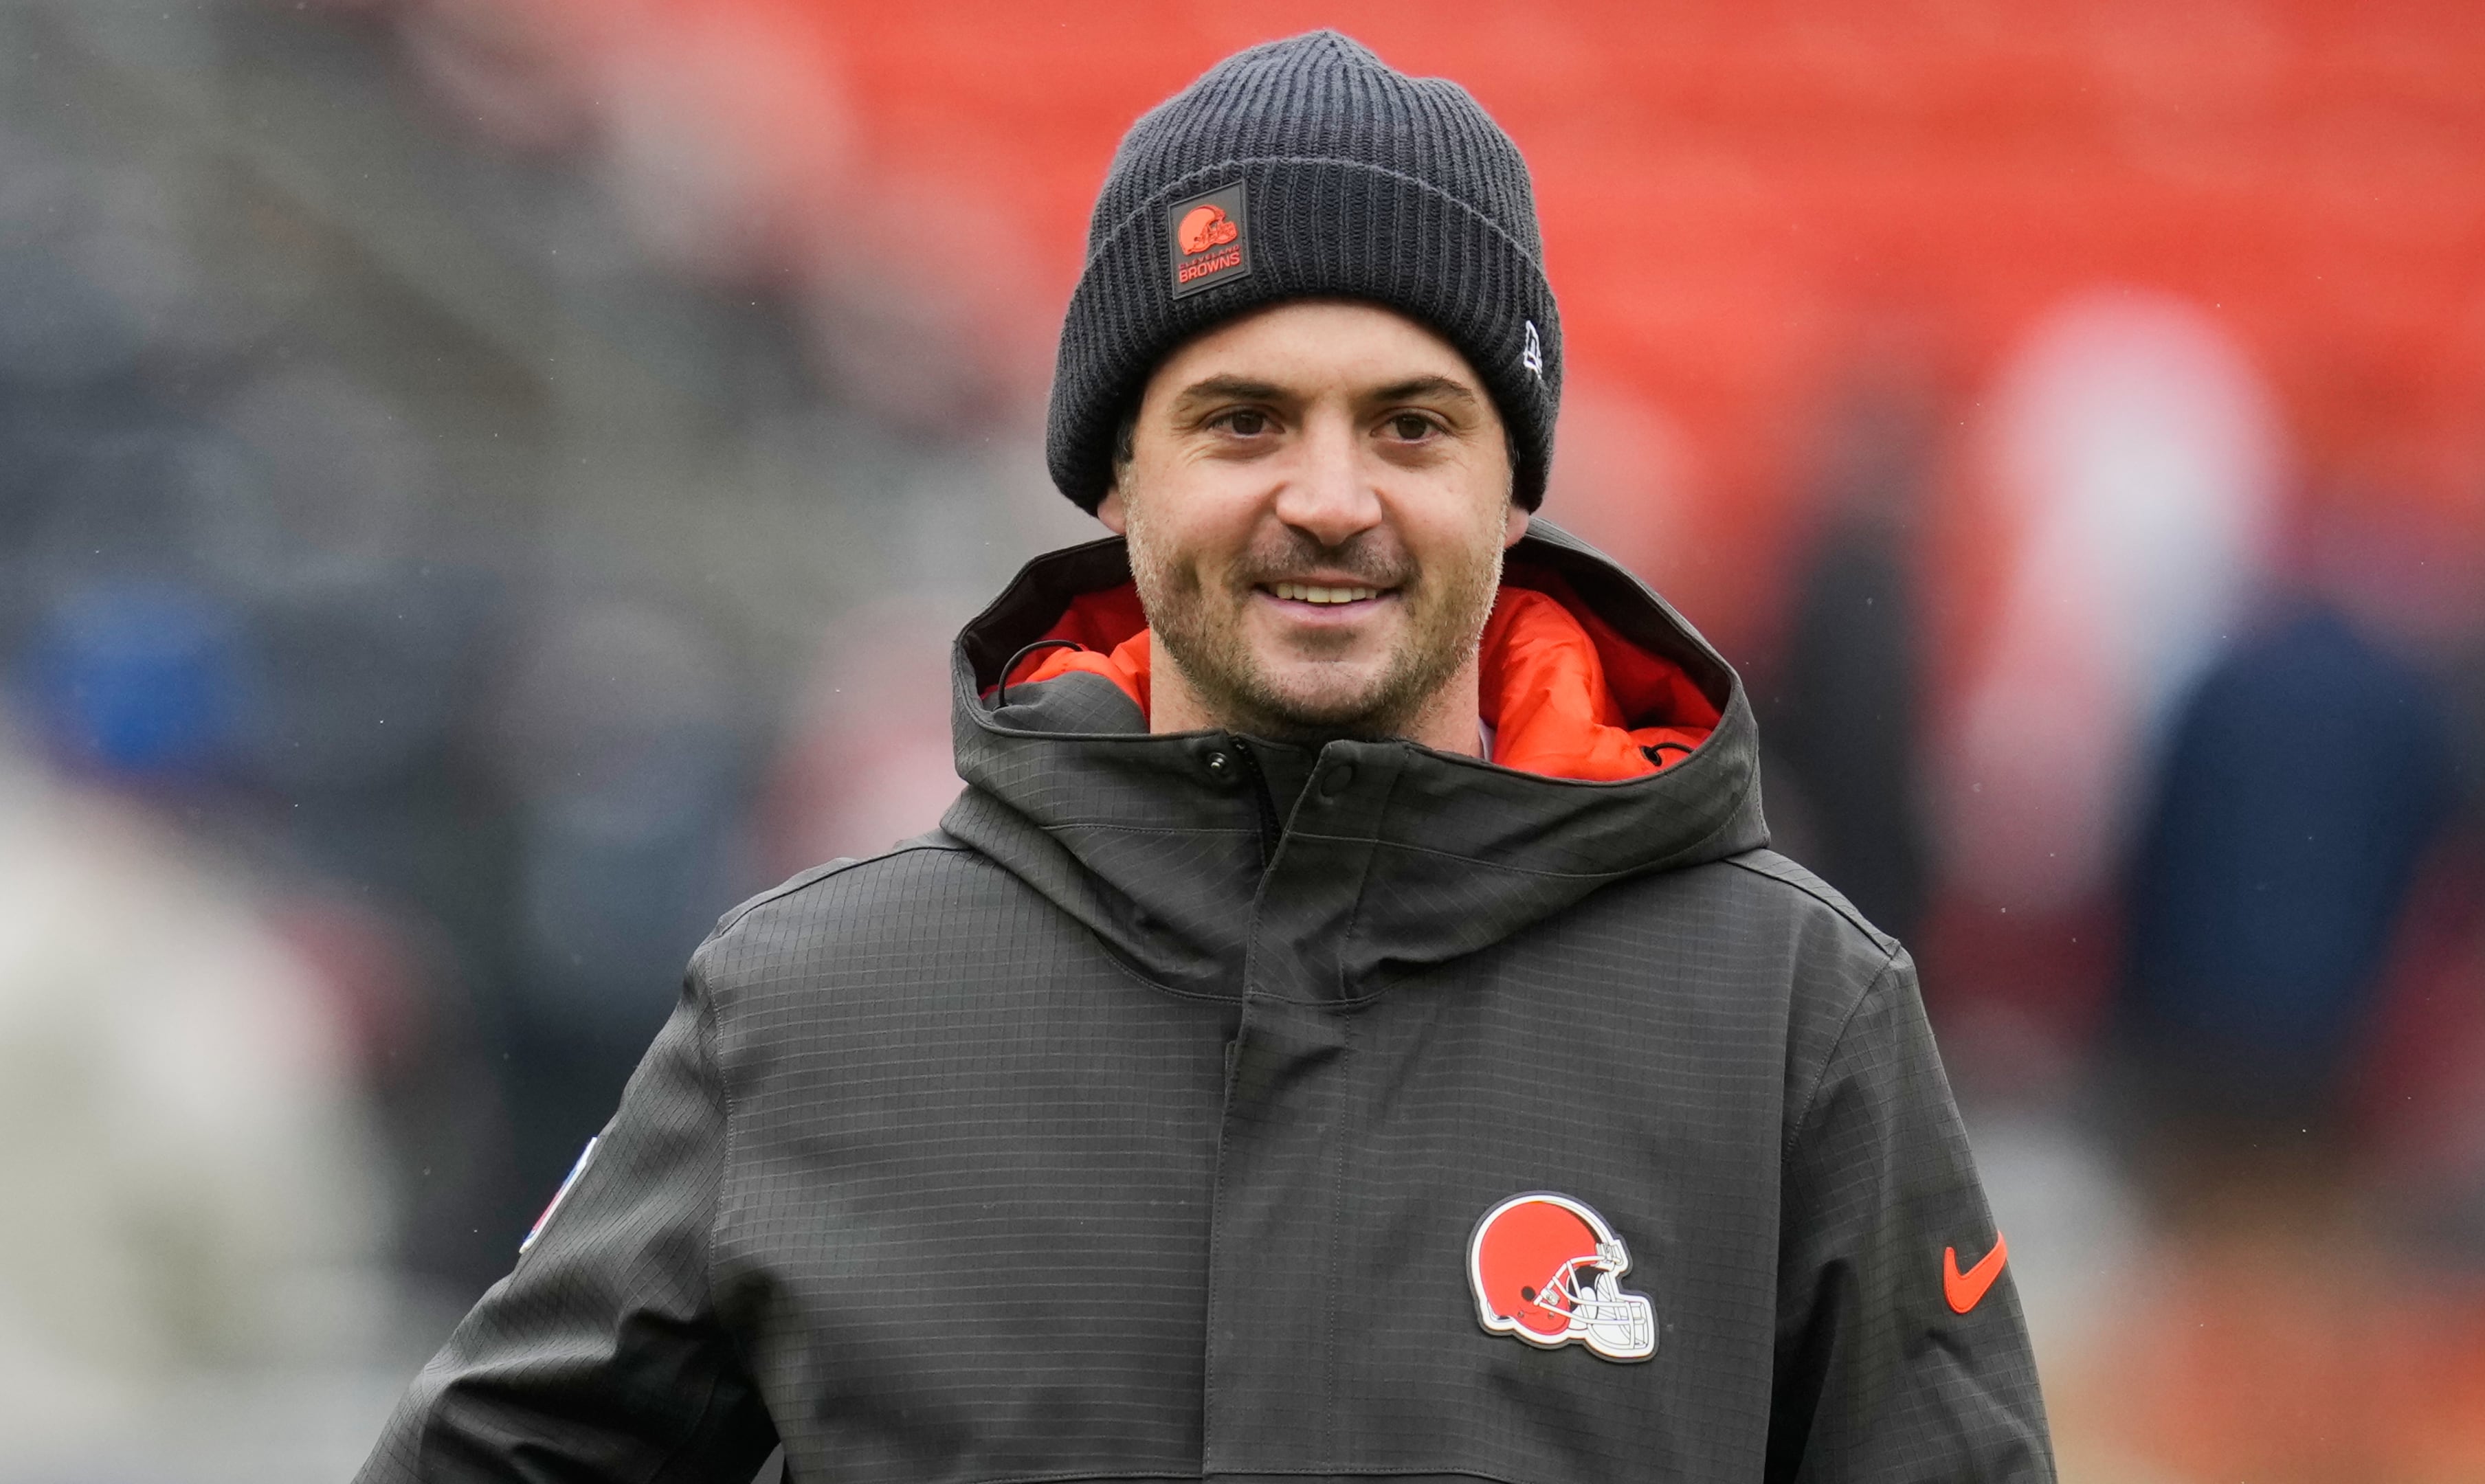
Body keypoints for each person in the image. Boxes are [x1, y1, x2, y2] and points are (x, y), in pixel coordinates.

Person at [359, 31, 2051, 1483]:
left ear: (1515, 489)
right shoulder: (815, 1011)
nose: (1331, 497)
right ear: (1115, 476)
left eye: (1412, 423)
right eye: (1244, 419)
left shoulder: (1785, 1021)